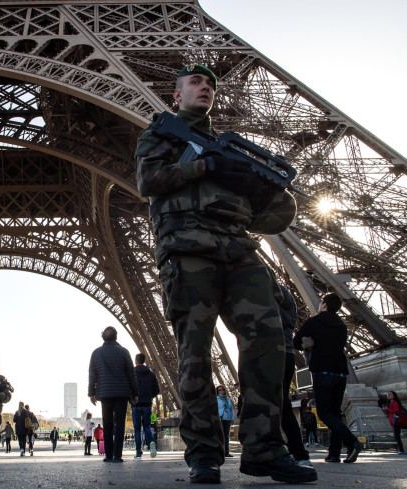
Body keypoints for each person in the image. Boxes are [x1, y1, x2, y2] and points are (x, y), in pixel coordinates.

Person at [135, 63, 316, 484]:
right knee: (194, 353)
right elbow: (148, 181)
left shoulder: (231, 149)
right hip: (186, 249)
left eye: (211, 84)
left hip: (238, 249)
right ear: (175, 95)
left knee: (270, 344)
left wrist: (252, 185)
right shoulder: (162, 133)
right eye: (195, 82)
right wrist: (205, 167)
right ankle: (204, 454)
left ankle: (265, 450)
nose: (206, 88)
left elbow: (273, 216)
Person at [294, 293, 364, 465]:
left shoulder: (315, 321)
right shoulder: (341, 325)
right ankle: (334, 453)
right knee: (335, 413)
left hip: (322, 372)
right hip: (340, 373)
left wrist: (310, 342)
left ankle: (352, 441)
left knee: (325, 413)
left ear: (324, 305)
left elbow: (296, 342)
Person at [88, 326, 138, 463]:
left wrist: (91, 393)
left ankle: (108, 455)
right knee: (120, 424)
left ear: (103, 336)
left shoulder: (96, 353)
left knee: (108, 424)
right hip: (122, 393)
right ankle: (117, 455)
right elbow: (131, 374)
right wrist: (135, 393)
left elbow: (92, 374)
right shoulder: (124, 352)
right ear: (116, 337)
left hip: (105, 393)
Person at [277, 284, 312, 466]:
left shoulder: (267, 291)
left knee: (277, 403)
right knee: (282, 403)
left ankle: (293, 451)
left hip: (272, 353)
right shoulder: (287, 296)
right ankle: (297, 451)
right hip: (287, 353)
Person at [131, 352, 160, 460]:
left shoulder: (132, 373)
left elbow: (129, 388)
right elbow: (157, 390)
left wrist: (132, 398)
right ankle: (151, 442)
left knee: (137, 429)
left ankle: (138, 452)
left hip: (136, 404)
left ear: (136, 361)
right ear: (144, 361)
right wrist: (149, 397)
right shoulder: (151, 374)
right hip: (147, 404)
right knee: (147, 427)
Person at [216, 385, 235, 458]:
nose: (221, 391)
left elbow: (231, 409)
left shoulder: (227, 399)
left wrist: (232, 418)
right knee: (220, 436)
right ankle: (220, 452)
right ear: (217, 391)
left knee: (226, 436)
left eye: (223, 389)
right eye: (220, 390)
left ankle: (226, 452)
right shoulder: (216, 399)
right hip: (220, 418)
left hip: (227, 418)